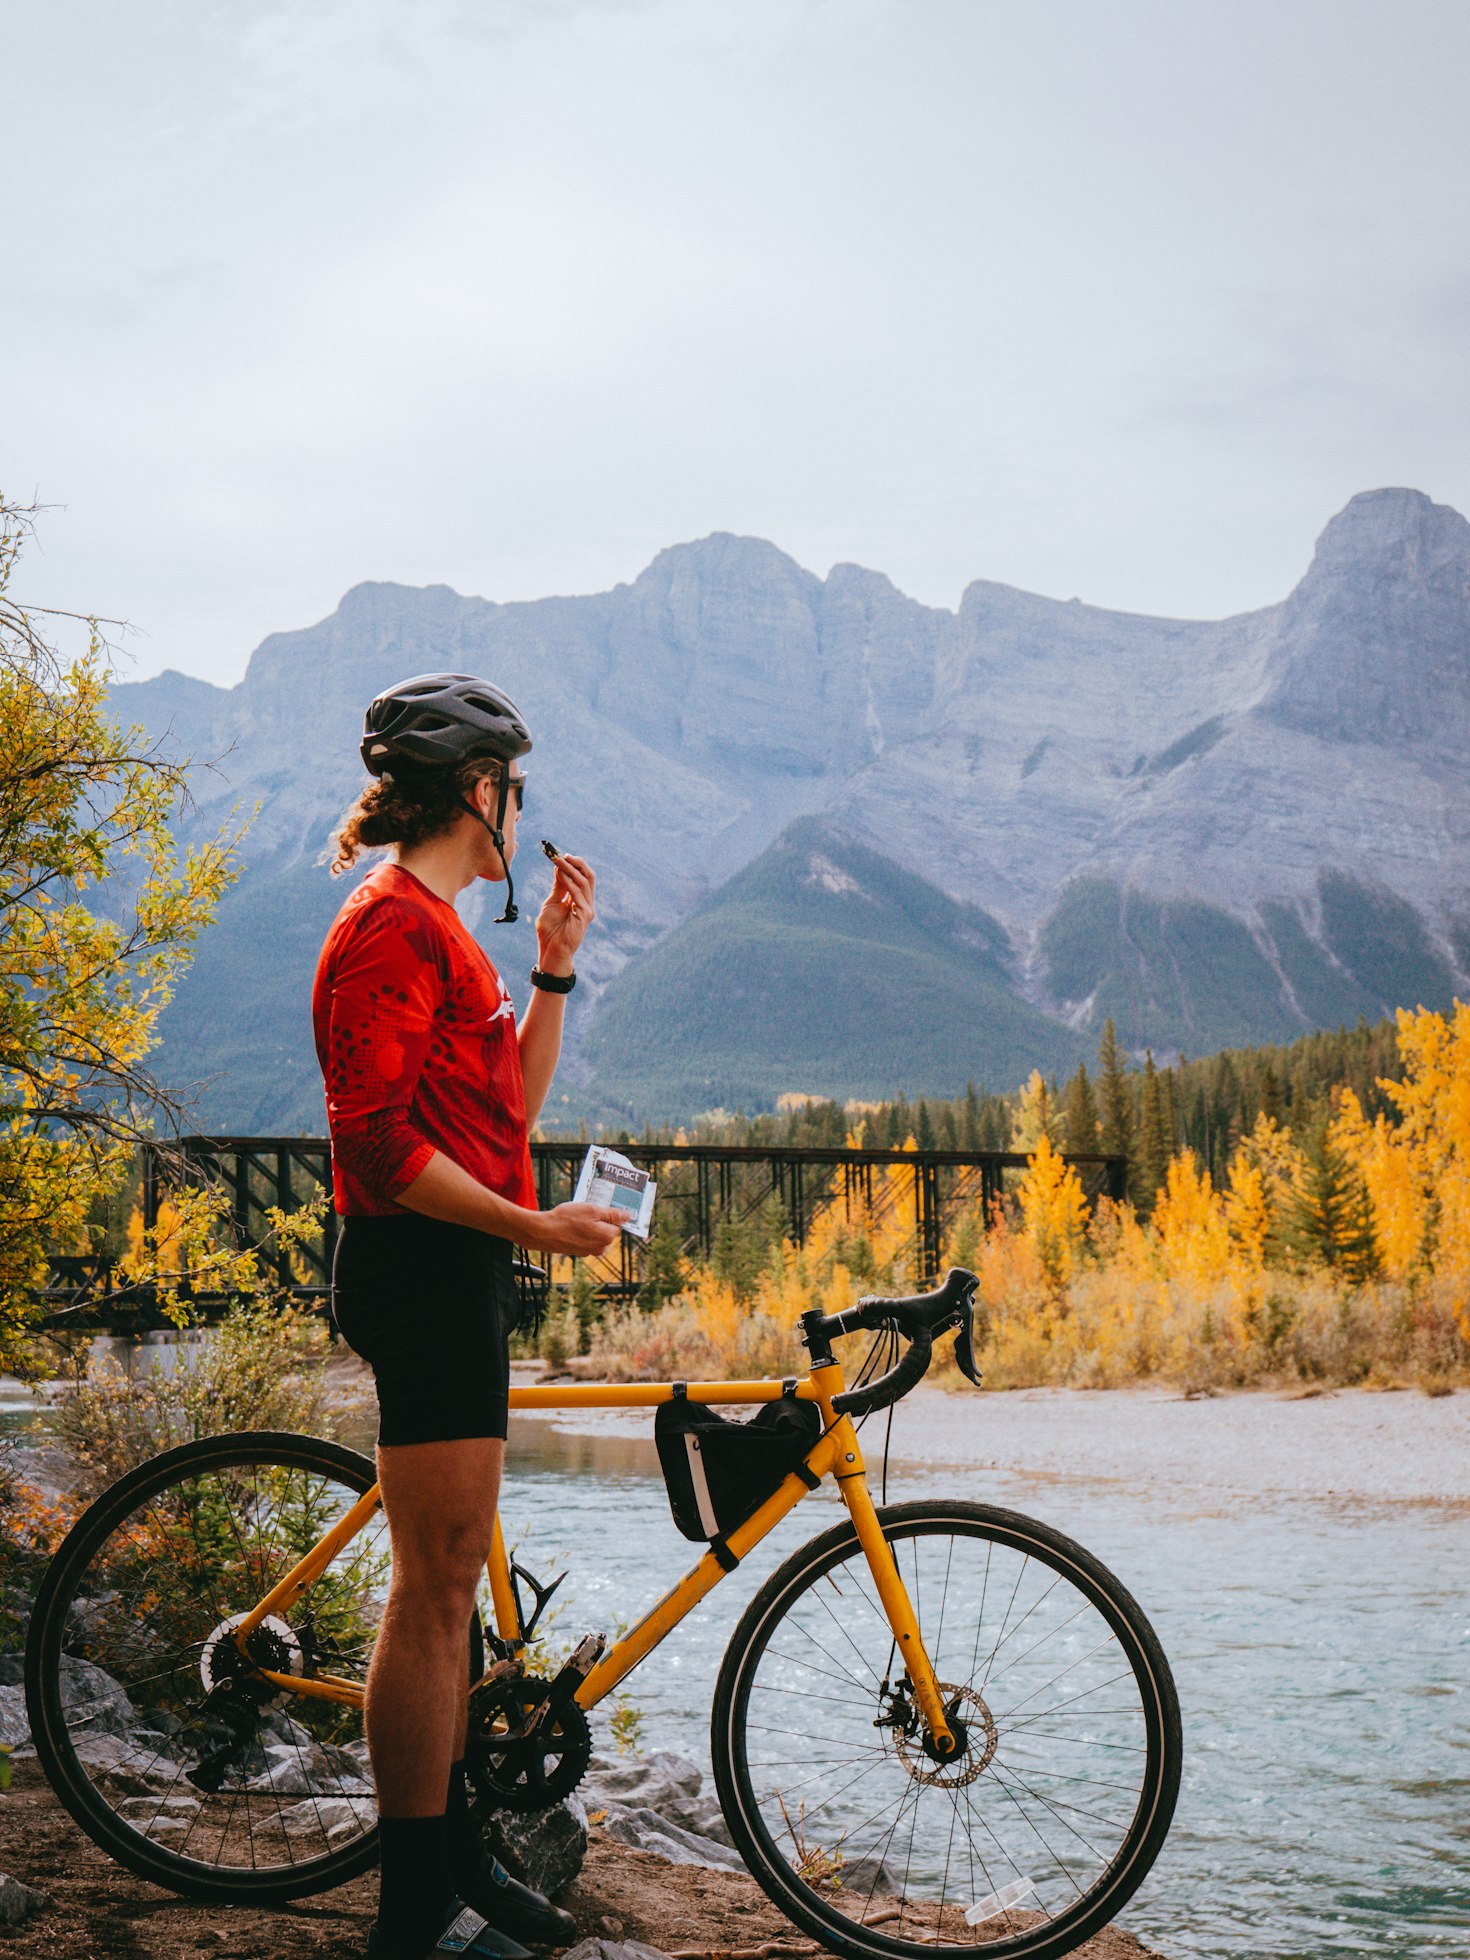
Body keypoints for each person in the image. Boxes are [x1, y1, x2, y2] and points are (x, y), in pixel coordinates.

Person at [314, 673, 623, 1960]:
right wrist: (532, 1227)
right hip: (422, 1270)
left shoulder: (447, 929)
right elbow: (378, 1147)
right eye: (513, 787)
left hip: (459, 1270)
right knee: (433, 1590)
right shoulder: (387, 927)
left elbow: (506, 1113)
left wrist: (552, 971)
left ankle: (448, 1864)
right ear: (478, 794)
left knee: (446, 1582)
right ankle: (413, 1913)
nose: (520, 808)